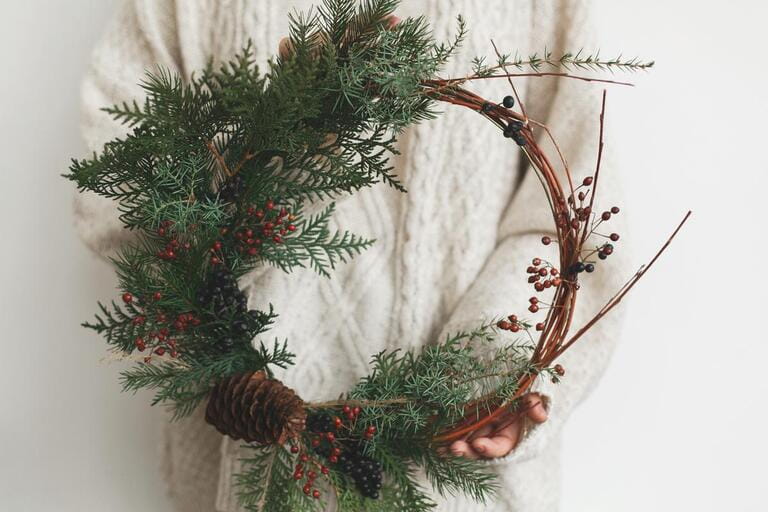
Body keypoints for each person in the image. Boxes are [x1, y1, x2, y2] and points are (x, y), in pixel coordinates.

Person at [75, 1, 627, 510]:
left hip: (460, 474)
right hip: (255, 457)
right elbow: (117, 180)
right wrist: (277, 127)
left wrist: (495, 367)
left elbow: (571, 215)